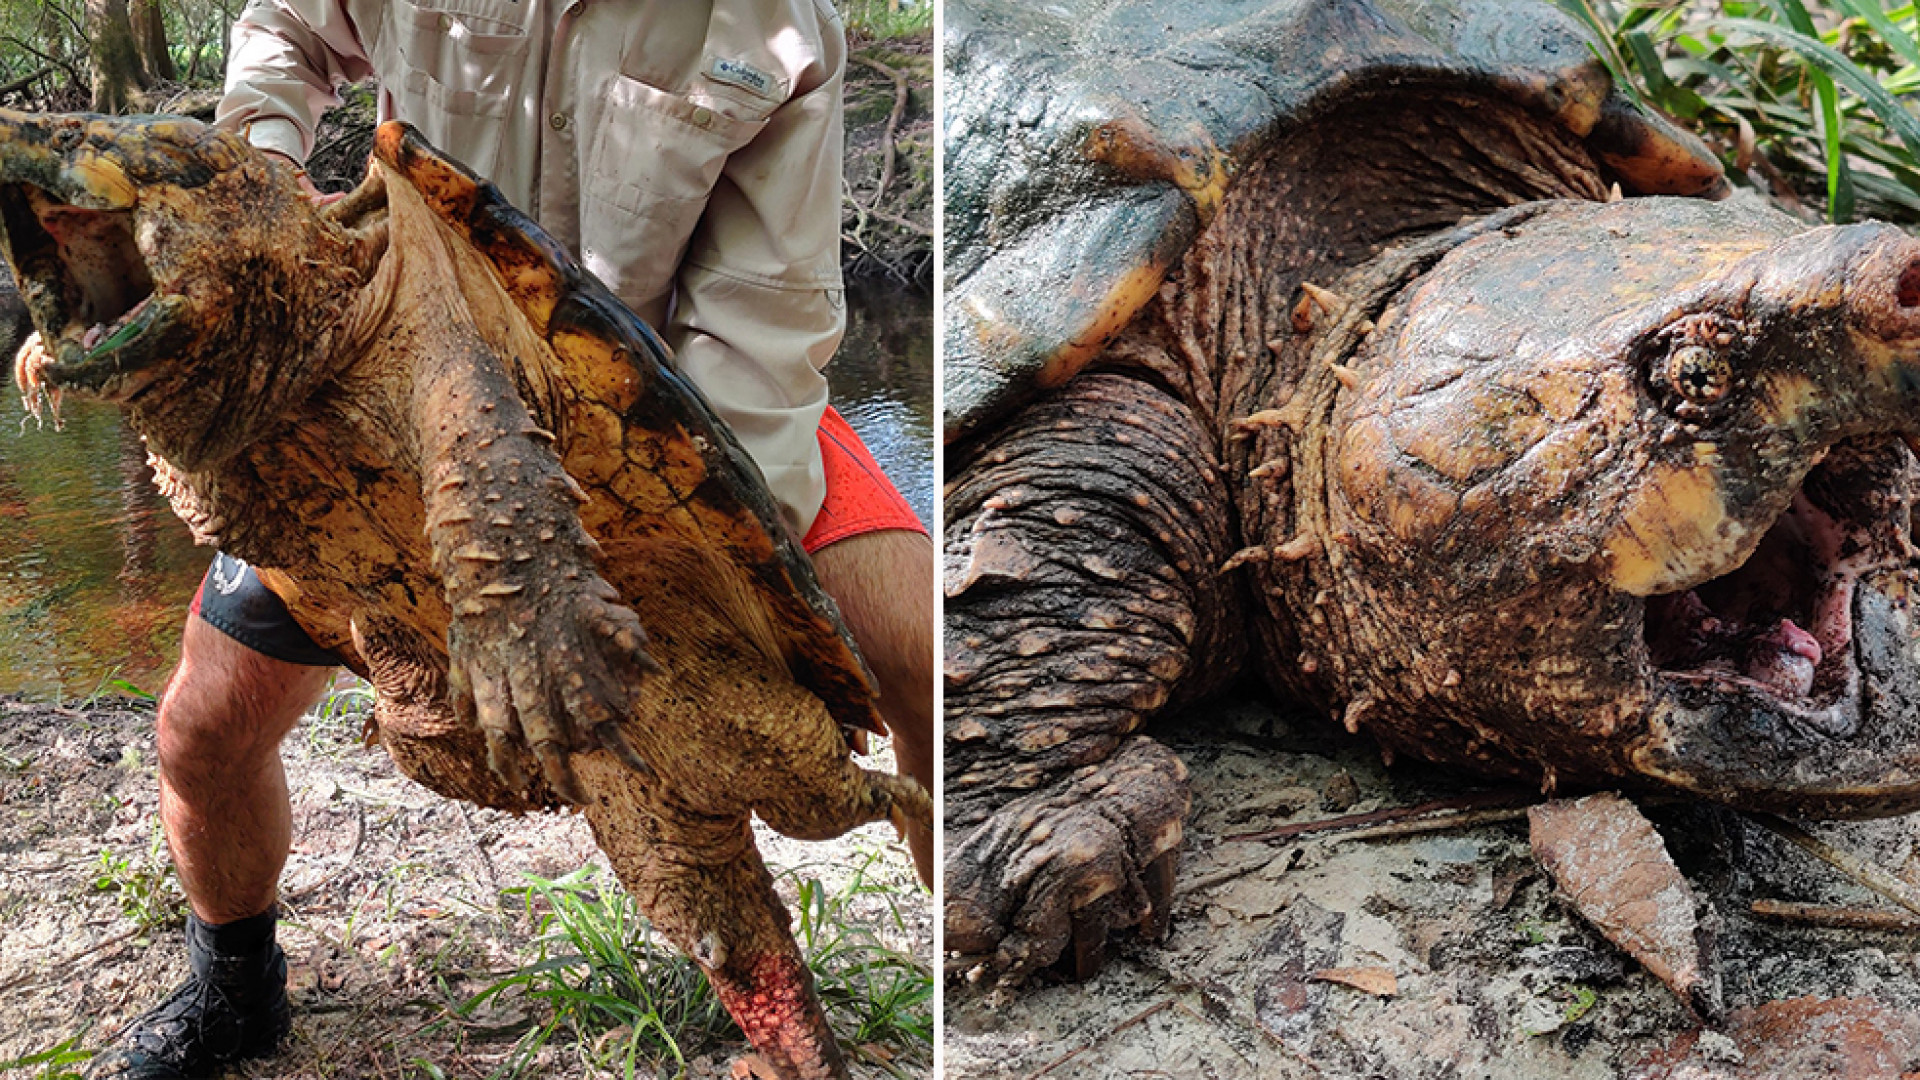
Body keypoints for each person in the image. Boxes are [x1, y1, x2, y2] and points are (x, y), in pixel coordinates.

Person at [89, 2, 934, 1077]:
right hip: (386, 377)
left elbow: (760, 328)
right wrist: (265, 178)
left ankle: (967, 938)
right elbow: (284, 32)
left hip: (664, 399)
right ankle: (235, 986)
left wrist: (671, 565)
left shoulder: (773, 21)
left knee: (936, 673)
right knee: (201, 731)